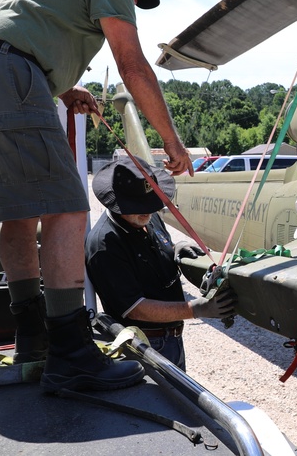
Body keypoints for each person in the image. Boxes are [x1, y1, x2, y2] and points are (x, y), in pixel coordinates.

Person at [0, 0, 193, 393]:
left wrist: (60, 89)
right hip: (8, 74)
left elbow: (15, 34)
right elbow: (132, 64)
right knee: (68, 209)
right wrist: (171, 141)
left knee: (19, 216)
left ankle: (34, 340)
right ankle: (72, 354)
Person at [85, 156, 236, 369]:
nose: (147, 210)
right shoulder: (105, 244)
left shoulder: (147, 217)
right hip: (142, 345)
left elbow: (154, 251)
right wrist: (197, 309)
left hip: (171, 337)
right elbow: (135, 308)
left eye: (151, 202)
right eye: (139, 205)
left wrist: (175, 248)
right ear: (118, 203)